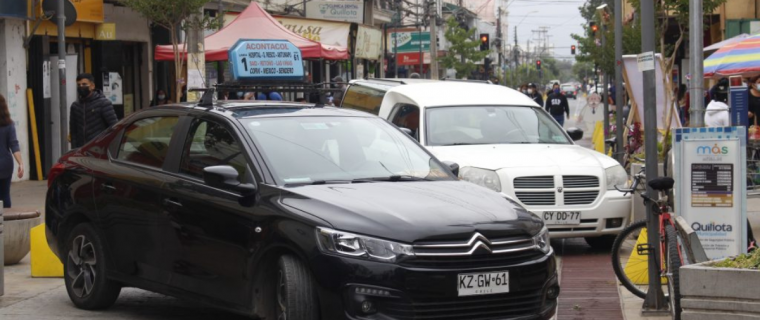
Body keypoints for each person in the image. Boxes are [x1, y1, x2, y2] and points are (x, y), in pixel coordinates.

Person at [69, 73, 118, 149]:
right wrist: (74, 149)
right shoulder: (75, 106)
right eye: (79, 85)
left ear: (92, 86)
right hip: (81, 150)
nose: (81, 87)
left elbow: (114, 127)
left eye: (84, 84)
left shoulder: (103, 103)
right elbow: (73, 132)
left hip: (99, 149)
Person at [0, 94, 23, 208]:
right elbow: (14, 144)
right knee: (4, 195)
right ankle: (6, 223)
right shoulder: (9, 124)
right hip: (5, 164)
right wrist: (20, 163)